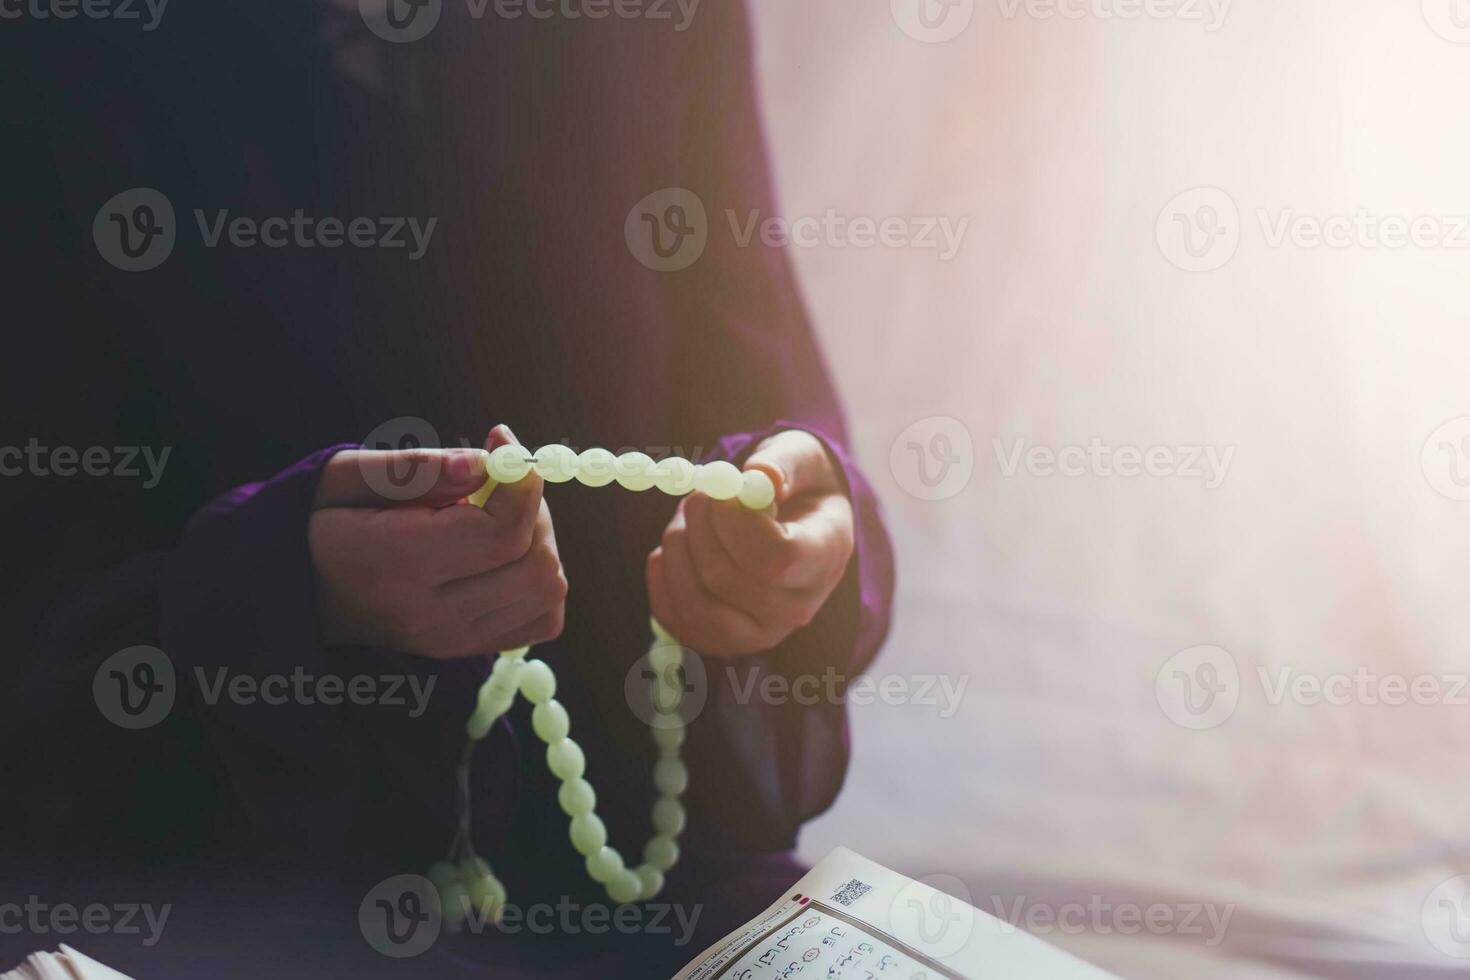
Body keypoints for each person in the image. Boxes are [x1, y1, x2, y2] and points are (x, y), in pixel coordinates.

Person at [3, 1, 894, 974]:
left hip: (654, 893)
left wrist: (792, 552)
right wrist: (282, 596)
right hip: (226, 899)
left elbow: (784, 433)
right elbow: (42, 663)